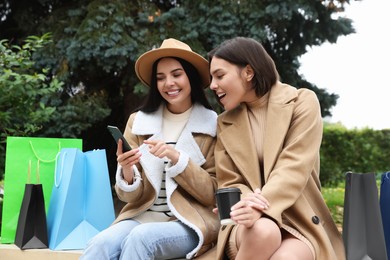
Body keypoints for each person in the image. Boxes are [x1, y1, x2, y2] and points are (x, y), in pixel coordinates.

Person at [80, 38, 219, 260]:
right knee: (99, 244)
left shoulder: (212, 125)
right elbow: (130, 196)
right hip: (142, 215)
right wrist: (126, 170)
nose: (169, 83)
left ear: (191, 76)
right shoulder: (139, 122)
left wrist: (177, 159)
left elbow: (213, 193)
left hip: (189, 221)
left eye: (176, 74)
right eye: (160, 78)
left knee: (141, 238)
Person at [208, 37, 345, 260]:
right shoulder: (225, 122)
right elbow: (230, 180)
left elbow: (294, 166)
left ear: (248, 72)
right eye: (211, 78)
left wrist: (259, 205)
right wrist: (247, 205)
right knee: (264, 231)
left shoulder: (302, 102)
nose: (212, 85)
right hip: (246, 222)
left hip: (297, 221)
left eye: (220, 76)